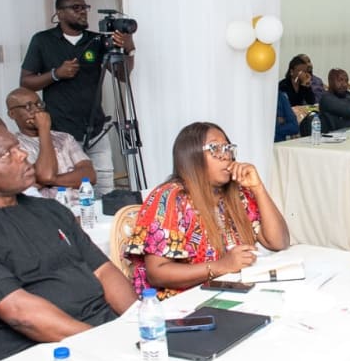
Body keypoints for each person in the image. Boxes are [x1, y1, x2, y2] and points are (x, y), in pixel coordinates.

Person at [0, 120, 136, 361]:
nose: (23, 155)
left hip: (105, 333)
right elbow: (21, 313)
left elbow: (104, 271)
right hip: (43, 357)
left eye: (17, 147)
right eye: (7, 154)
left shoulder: (50, 210)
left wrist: (138, 324)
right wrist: (103, 345)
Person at [124, 122, 289, 299]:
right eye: (215, 148)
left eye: (227, 148)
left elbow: (279, 242)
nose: (226, 156)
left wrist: (258, 188)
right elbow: (157, 273)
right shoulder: (169, 199)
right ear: (191, 156)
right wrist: (220, 266)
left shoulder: (238, 193)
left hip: (231, 291)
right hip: (181, 304)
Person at [20, 0, 136, 196]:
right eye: (76, 8)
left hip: (96, 127)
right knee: (70, 192)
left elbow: (122, 76)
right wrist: (56, 74)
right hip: (62, 131)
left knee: (105, 190)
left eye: (85, 7)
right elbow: (26, 82)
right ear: (60, 13)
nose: (83, 12)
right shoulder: (42, 40)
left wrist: (128, 50)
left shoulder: (97, 40)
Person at [6, 88, 95, 201]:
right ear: (12, 114)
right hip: (48, 211)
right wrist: (44, 129)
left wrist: (50, 181)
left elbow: (90, 176)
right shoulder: (14, 145)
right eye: (28, 106)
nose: (36, 110)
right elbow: (46, 174)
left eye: (38, 104)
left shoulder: (65, 138)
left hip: (82, 205)